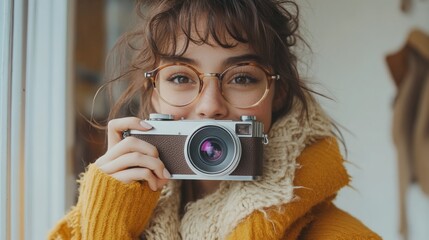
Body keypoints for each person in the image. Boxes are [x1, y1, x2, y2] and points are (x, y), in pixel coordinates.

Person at [49, 0, 381, 239]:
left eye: (241, 78)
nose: (210, 106)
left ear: (277, 93)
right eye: (180, 78)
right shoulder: (95, 220)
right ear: (151, 93)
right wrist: (108, 217)